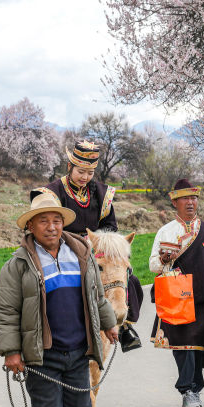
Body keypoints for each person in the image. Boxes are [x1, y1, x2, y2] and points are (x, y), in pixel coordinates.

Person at [0, 191, 119, 407]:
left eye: (56, 220)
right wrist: (11, 351)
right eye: (43, 221)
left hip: (78, 349)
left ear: (63, 223)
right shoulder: (18, 265)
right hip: (42, 354)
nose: (51, 227)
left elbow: (96, 296)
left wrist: (108, 324)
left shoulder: (81, 254)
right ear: (31, 226)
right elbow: (6, 310)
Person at [36, 139, 143, 325]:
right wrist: (79, 241)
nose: (85, 177)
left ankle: (124, 326)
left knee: (130, 279)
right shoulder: (53, 192)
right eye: (81, 171)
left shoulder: (102, 194)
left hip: (95, 250)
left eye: (90, 173)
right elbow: (48, 227)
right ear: (69, 167)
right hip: (62, 250)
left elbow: (110, 227)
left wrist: (97, 242)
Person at [149, 178, 204, 407]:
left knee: (198, 346)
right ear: (174, 202)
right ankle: (188, 391)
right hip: (178, 300)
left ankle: (194, 389)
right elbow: (153, 265)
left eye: (194, 198)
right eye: (185, 198)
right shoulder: (166, 231)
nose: (190, 203)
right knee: (184, 346)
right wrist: (165, 258)